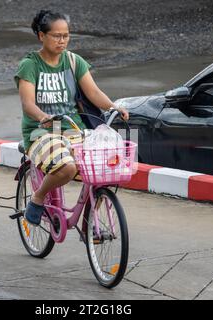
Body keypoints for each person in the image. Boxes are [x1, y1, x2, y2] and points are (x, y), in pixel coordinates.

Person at [14, 9, 129, 225]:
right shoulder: (30, 65)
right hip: (41, 132)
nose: (62, 41)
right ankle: (38, 198)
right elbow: (27, 103)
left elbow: (94, 93)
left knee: (108, 163)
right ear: (42, 36)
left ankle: (90, 216)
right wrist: (42, 117)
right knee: (67, 168)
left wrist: (114, 107)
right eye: (56, 36)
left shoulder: (74, 61)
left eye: (66, 35)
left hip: (72, 129)